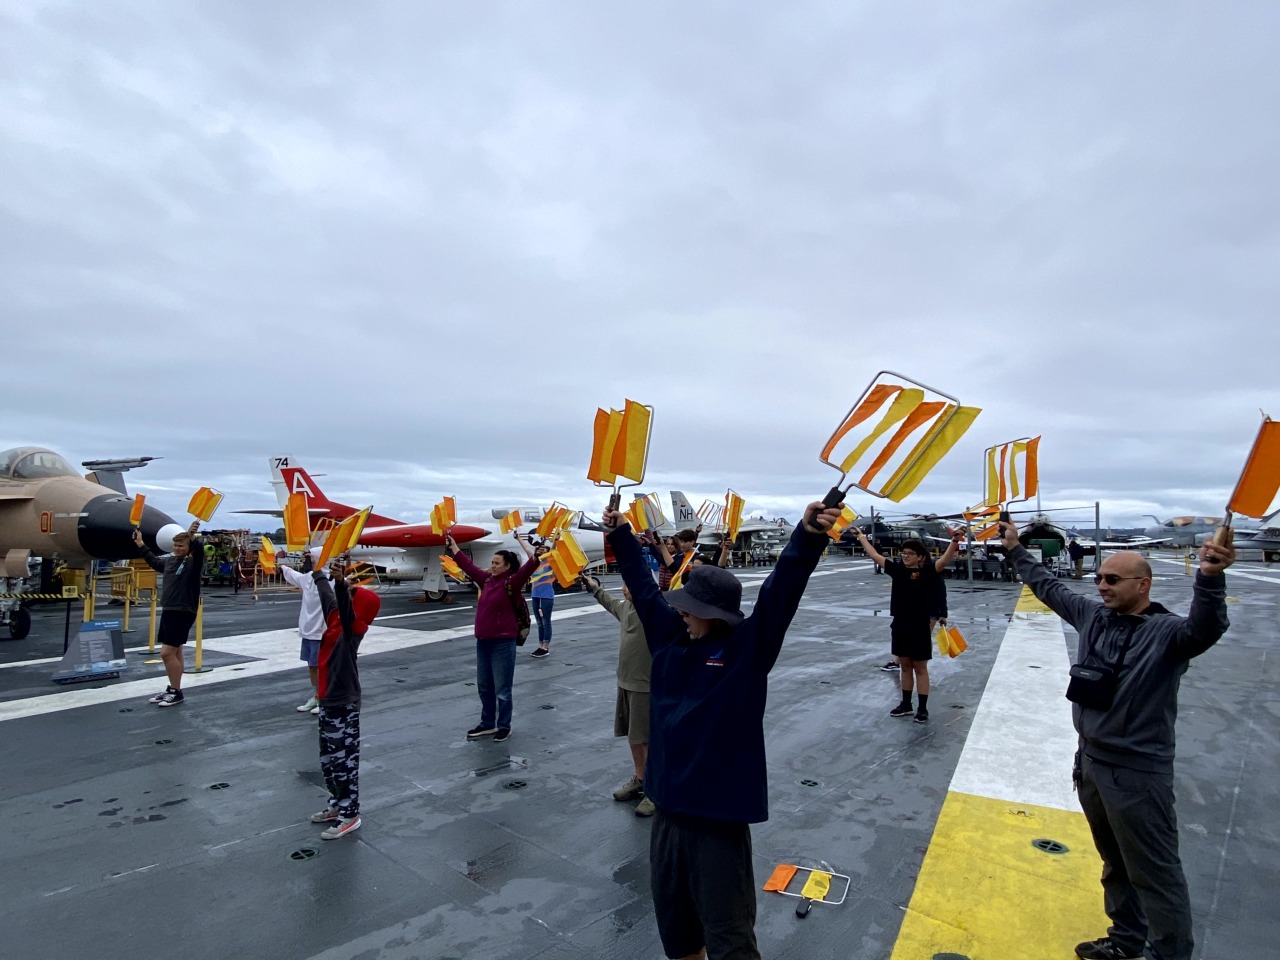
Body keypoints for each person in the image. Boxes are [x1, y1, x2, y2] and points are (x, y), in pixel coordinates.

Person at [603, 497, 843, 960]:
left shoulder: (746, 654)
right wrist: (619, 535)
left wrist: (808, 535)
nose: (682, 614)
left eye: (690, 608)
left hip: (717, 825)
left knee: (729, 939)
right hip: (668, 817)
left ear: (715, 614)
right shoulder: (671, 641)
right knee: (678, 936)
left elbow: (782, 591)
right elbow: (643, 588)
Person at [997, 518, 1234, 960]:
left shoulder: (1169, 634)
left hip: (1137, 775)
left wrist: (1210, 577)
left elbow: (1206, 628)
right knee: (1116, 865)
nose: (1100, 585)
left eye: (1112, 579)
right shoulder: (1094, 617)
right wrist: (1014, 549)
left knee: (1156, 874)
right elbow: (1049, 587)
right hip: (1089, 764)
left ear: (1143, 585)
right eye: (1098, 577)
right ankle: (1126, 942)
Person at [855, 529, 961, 723]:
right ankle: (906, 704)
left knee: (920, 667)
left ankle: (922, 708)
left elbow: (944, 560)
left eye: (910, 554)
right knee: (904, 666)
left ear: (920, 557)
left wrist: (954, 541)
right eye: (903, 553)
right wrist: (862, 538)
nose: (905, 557)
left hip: (920, 624)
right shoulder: (897, 571)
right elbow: (875, 555)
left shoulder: (927, 572)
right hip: (900, 624)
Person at [308, 560, 378, 840]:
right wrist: (317, 572)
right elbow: (328, 597)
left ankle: (351, 814)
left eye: (351, 596)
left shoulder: (354, 628)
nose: (344, 599)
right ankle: (337, 804)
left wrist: (340, 582)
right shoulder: (335, 618)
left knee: (344, 760)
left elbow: (342, 604)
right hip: (327, 700)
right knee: (328, 760)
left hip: (343, 701)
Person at [445, 534, 539, 742]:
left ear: (507, 567)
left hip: (502, 643)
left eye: (497, 563)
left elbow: (528, 568)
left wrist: (535, 557)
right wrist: (454, 547)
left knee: (502, 689)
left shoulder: (511, 583)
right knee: (484, 686)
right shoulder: (486, 580)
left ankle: (504, 725)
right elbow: (469, 568)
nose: (492, 566)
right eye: (492, 562)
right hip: (483, 642)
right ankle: (487, 723)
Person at [581, 572, 655, 817]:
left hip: (645, 685)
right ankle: (640, 779)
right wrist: (593, 587)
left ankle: (654, 791)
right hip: (624, 682)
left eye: (628, 585)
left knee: (648, 739)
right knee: (633, 737)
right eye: (624, 585)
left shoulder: (654, 612)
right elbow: (609, 602)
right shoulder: (626, 608)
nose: (624, 589)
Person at [134, 521, 203, 708]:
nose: (177, 548)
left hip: (183, 610)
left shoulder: (192, 563)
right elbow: (154, 561)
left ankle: (177, 692)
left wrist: (192, 535)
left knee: (166, 653)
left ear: (188, 547)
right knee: (176, 650)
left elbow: (199, 549)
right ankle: (174, 689)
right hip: (169, 609)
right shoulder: (171, 561)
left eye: (181, 546)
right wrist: (141, 544)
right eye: (175, 545)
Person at [277, 551, 328, 715]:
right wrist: (281, 563)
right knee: (312, 666)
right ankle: (317, 695)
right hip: (308, 631)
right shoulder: (308, 578)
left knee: (323, 667)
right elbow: (293, 575)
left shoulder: (331, 579)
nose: (308, 560)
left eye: (311, 558)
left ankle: (325, 698)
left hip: (323, 633)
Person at [521, 539, 556, 658]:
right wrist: (518, 537)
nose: (541, 551)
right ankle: (540, 645)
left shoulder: (550, 563)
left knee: (546, 622)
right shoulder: (535, 563)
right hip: (535, 595)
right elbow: (527, 549)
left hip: (546, 596)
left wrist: (555, 541)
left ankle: (545, 647)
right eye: (540, 549)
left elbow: (554, 551)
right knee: (540, 623)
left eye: (544, 549)